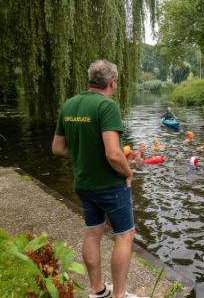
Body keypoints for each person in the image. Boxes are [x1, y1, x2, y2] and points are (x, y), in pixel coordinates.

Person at [52, 60, 135, 298]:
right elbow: (113, 153)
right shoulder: (107, 106)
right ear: (112, 82)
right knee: (125, 235)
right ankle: (119, 295)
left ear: (90, 79)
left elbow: (57, 148)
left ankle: (97, 290)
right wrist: (128, 173)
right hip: (110, 185)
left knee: (92, 232)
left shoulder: (69, 104)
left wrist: (82, 153)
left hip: (83, 184)